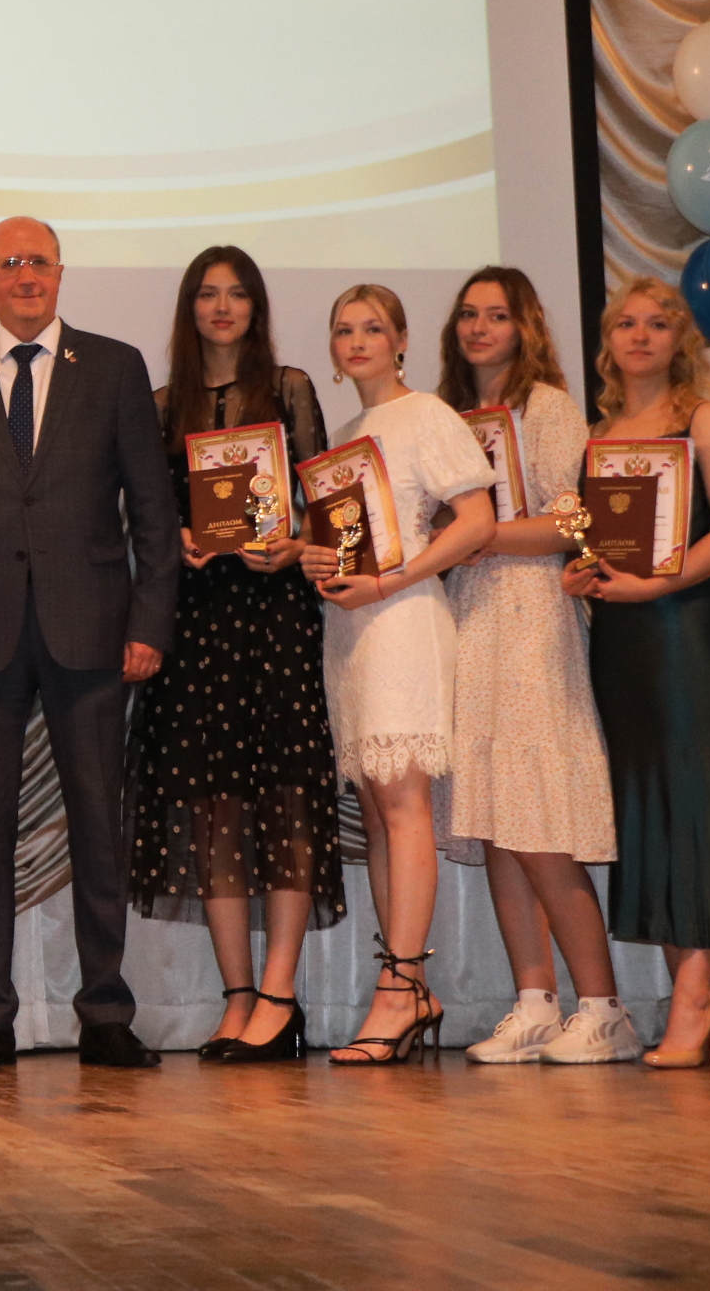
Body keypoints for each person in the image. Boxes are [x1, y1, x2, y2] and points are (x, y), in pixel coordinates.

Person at [0, 216, 179, 1071]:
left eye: (39, 262)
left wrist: (149, 623)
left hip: (93, 634)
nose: (26, 276)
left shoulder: (114, 367)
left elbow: (152, 508)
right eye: (10, 263)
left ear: (60, 273)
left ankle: (105, 1011)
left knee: (100, 826)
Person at [128, 246, 341, 1066]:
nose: (222, 307)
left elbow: (326, 507)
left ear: (256, 307)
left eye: (238, 294)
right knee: (211, 809)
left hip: (274, 618)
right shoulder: (160, 406)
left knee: (287, 802)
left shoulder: (289, 389)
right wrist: (177, 537)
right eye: (208, 294)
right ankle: (238, 997)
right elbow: (146, 515)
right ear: (189, 308)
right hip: (196, 623)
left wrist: (292, 544)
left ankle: (280, 998)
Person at [434, 267, 633, 1065]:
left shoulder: (548, 407)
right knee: (497, 822)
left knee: (540, 822)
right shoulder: (447, 417)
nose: (479, 328)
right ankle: (534, 1002)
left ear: (526, 327)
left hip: (532, 615)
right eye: (468, 315)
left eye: (497, 315)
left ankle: (605, 1008)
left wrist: (475, 535)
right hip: (471, 614)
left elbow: (571, 520)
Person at [300, 284, 497, 1066]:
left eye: (373, 328)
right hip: (351, 630)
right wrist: (317, 560)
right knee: (379, 813)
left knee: (405, 803)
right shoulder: (344, 435)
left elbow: (476, 520)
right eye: (343, 329)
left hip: (405, 620)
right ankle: (407, 986)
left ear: (402, 340)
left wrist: (394, 579)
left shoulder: (428, 416)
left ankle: (403, 983)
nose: (357, 342)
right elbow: (342, 541)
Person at [561, 279, 710, 1070]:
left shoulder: (702, 419)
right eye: (626, 324)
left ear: (680, 340)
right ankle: (694, 991)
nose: (640, 336)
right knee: (648, 805)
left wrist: (659, 583)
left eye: (657, 323)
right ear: (608, 343)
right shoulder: (597, 435)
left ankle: (694, 996)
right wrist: (580, 573)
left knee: (689, 798)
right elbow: (588, 537)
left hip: (682, 628)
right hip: (621, 637)